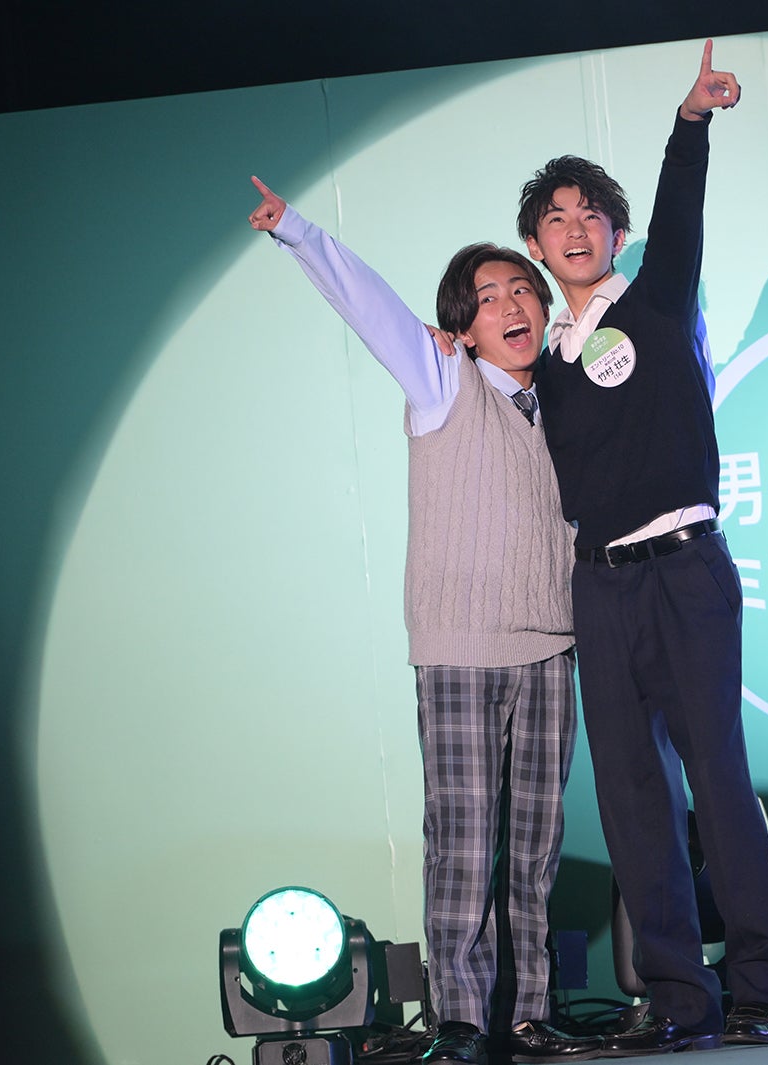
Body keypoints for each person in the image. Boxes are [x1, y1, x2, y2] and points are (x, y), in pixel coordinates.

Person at [247, 178, 598, 1065]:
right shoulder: (443, 379)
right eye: (489, 298)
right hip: (460, 650)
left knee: (535, 846)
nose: (511, 306)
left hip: (551, 646)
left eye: (522, 290)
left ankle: (528, 1012)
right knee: (464, 841)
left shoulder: (566, 400)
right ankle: (461, 1019)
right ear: (463, 327)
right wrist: (298, 232)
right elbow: (371, 308)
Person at [515, 41, 768, 1055]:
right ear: (537, 247)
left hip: (684, 569)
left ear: (617, 231)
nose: (574, 227)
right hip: (599, 591)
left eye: (590, 212)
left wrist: (691, 123)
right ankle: (680, 999)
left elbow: (683, 214)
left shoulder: (655, 298)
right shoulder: (543, 361)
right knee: (633, 801)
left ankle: (764, 987)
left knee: (718, 780)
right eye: (556, 218)